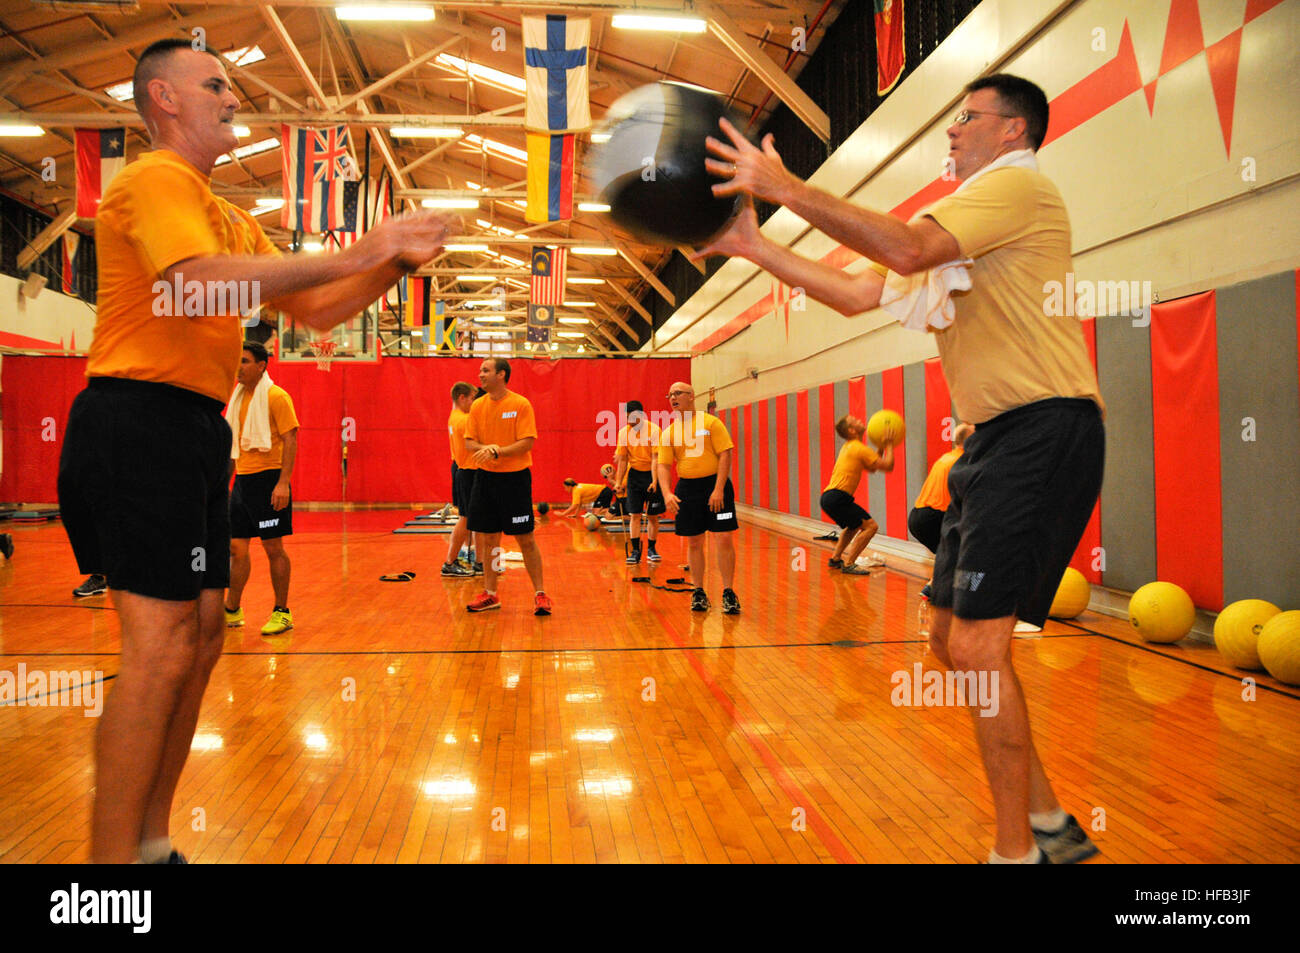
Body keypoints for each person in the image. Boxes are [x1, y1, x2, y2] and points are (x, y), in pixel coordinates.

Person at [55, 38, 449, 863]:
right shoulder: (154, 180)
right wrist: (362, 247)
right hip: (138, 420)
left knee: (200, 639)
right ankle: (102, 879)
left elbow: (319, 312)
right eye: (216, 84)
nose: (234, 97)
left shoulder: (224, 212)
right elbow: (191, 284)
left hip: (196, 430)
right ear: (164, 99)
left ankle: (152, 846)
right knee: (158, 649)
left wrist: (389, 263)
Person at [697, 74, 1104, 864]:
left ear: (1014, 131)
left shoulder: (1017, 191)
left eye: (967, 116)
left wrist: (785, 185)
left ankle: (1017, 849)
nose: (952, 130)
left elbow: (905, 244)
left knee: (982, 651)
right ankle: (1051, 821)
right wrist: (753, 244)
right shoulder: (966, 222)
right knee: (952, 640)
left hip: (1044, 430)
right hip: (992, 442)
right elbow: (855, 291)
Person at [463, 357, 552, 614]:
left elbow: (526, 442)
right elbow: (470, 443)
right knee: (489, 538)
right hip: (485, 480)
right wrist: (487, 450)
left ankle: (541, 594)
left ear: (501, 374)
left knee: (525, 538)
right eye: (481, 370)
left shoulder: (520, 404)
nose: (480, 374)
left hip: (514, 480)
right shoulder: (478, 406)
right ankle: (491, 594)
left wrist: (497, 452)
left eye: (486, 370)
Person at [223, 341, 298, 635]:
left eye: (243, 361)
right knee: (236, 548)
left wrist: (282, 483)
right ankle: (231, 609)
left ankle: (282, 612)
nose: (237, 367)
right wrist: (223, 484)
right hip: (242, 482)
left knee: (273, 547)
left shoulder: (277, 397)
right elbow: (233, 446)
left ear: (261, 365)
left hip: (269, 482)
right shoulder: (238, 398)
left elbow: (291, 439)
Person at [656, 382, 740, 614]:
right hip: (687, 491)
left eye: (678, 393)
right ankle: (699, 592)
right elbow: (663, 466)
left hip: (715, 487)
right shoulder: (669, 432)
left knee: (723, 538)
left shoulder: (711, 423)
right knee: (694, 541)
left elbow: (725, 454)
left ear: (691, 397)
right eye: (670, 394)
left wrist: (719, 489)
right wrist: (667, 493)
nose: (673, 397)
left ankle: (729, 592)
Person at [820, 414, 895, 574]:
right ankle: (849, 564)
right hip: (837, 497)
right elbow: (888, 466)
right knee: (871, 527)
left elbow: (872, 467)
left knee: (854, 526)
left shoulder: (850, 446)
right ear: (852, 430)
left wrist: (881, 447)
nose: (861, 420)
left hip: (830, 497)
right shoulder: (858, 448)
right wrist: (889, 444)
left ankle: (836, 559)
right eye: (856, 420)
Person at [614, 400, 665, 565]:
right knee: (634, 515)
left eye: (632, 417)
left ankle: (651, 548)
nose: (629, 420)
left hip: (651, 474)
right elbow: (622, 459)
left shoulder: (654, 430)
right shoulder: (623, 433)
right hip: (634, 475)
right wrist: (618, 482)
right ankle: (635, 550)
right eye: (627, 417)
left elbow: (656, 458)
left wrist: (655, 480)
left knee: (652, 516)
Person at [442, 381, 478, 578]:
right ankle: (449, 562)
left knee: (471, 518)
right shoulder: (463, 420)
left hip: (460, 467)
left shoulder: (454, 416)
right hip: (466, 470)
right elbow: (475, 445)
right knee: (465, 518)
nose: (474, 403)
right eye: (472, 398)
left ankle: (472, 556)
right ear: (462, 397)